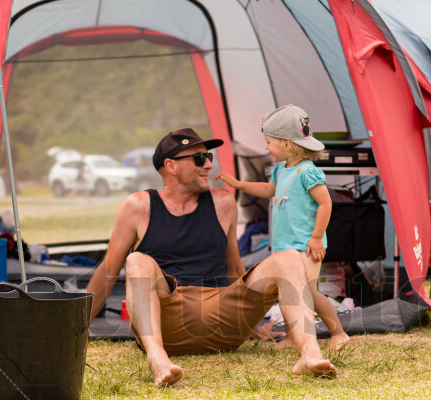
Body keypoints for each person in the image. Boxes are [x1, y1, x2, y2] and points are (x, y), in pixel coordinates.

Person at [86, 128, 336, 386]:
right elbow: (109, 272)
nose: (207, 164)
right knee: (136, 260)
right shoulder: (138, 206)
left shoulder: (223, 203)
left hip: (223, 321)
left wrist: (253, 323)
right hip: (170, 321)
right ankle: (157, 356)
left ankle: (309, 352)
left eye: (208, 157)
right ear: (170, 166)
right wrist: (78, 329)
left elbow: (234, 269)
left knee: (289, 258)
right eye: (198, 158)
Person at [215, 105, 350, 351]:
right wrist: (238, 184)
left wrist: (317, 238)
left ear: (287, 144)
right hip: (284, 246)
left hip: (305, 246)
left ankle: (338, 333)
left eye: (268, 142)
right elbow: (269, 191)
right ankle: (292, 336)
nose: (265, 147)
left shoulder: (308, 172)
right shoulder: (280, 169)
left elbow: (325, 203)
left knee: (309, 292)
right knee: (287, 291)